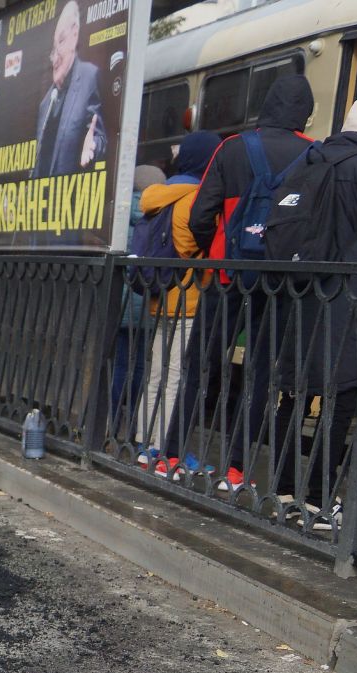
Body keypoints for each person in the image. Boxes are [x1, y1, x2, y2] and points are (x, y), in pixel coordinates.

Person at [267, 98, 357, 531]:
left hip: (302, 295)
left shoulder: (307, 159)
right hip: (351, 301)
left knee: (294, 395)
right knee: (341, 399)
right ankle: (316, 500)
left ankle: (283, 491)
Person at [184, 73, 316, 491]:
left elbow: (200, 216)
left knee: (199, 363)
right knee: (261, 373)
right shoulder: (315, 154)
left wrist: (215, 251)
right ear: (304, 114)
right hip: (280, 282)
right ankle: (236, 470)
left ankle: (171, 451)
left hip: (227, 276)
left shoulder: (233, 148)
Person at [137, 131, 219, 473]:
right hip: (187, 297)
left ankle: (143, 445)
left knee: (156, 373)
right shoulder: (195, 198)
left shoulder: (159, 195)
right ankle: (164, 450)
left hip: (159, 294)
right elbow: (190, 245)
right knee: (176, 377)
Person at [109, 163, 166, 442]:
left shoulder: (118, 217)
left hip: (118, 304)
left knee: (119, 365)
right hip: (148, 303)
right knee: (142, 367)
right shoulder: (159, 216)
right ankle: (132, 428)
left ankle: (109, 423)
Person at [31, 0, 106, 179]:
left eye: (61, 42)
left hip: (70, 200)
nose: (55, 58)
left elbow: (99, 137)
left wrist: (93, 146)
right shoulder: (45, 104)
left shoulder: (89, 77)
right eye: (53, 50)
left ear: (74, 34)